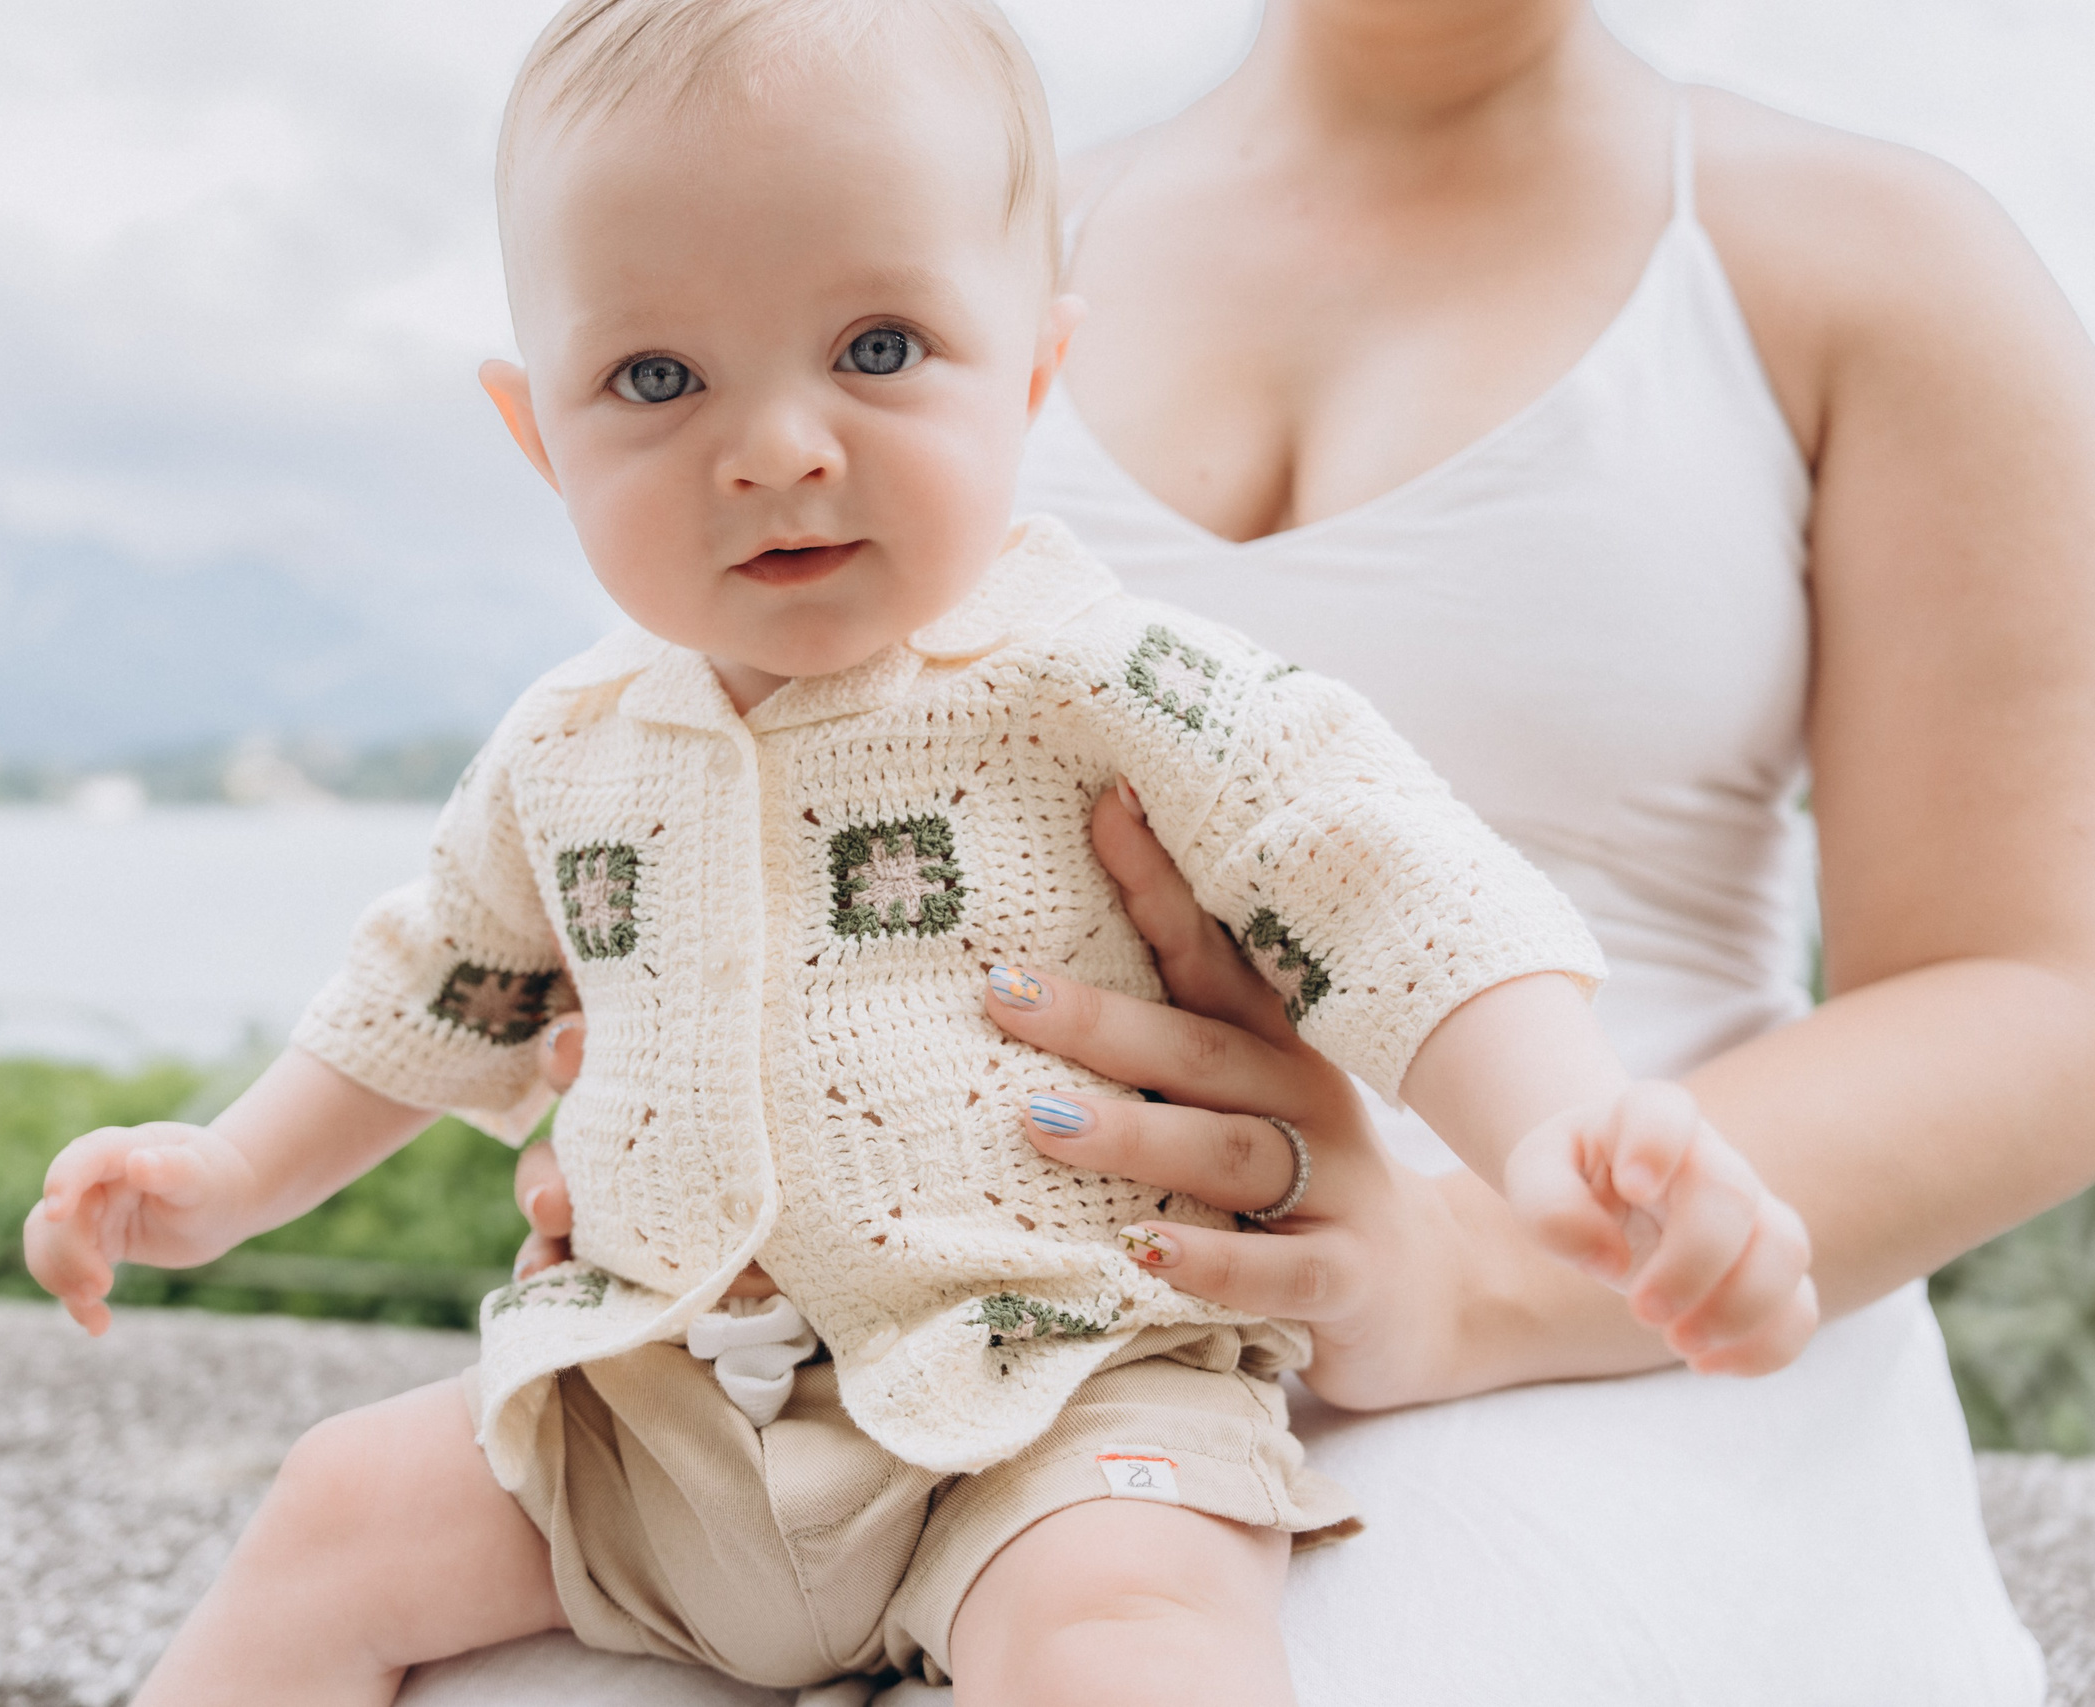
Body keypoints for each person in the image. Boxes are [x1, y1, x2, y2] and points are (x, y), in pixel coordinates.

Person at [20, 3, 1824, 1702]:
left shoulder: (1099, 677)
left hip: (1063, 1395)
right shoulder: (566, 747)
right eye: (655, 375)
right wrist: (230, 1170)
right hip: (656, 1403)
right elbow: (436, 985)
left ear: (1036, 367)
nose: (776, 447)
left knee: (1129, 1630)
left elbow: (1373, 877)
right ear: (536, 434)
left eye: (878, 350)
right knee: (336, 1509)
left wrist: (1557, 1120)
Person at [497, 1, 2095, 1702]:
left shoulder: (1874, 258)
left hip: (1611, 1341)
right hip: (936, 1350)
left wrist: (1463, 1273)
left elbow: (2041, 989)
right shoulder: (908, 212)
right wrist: (682, 1104)